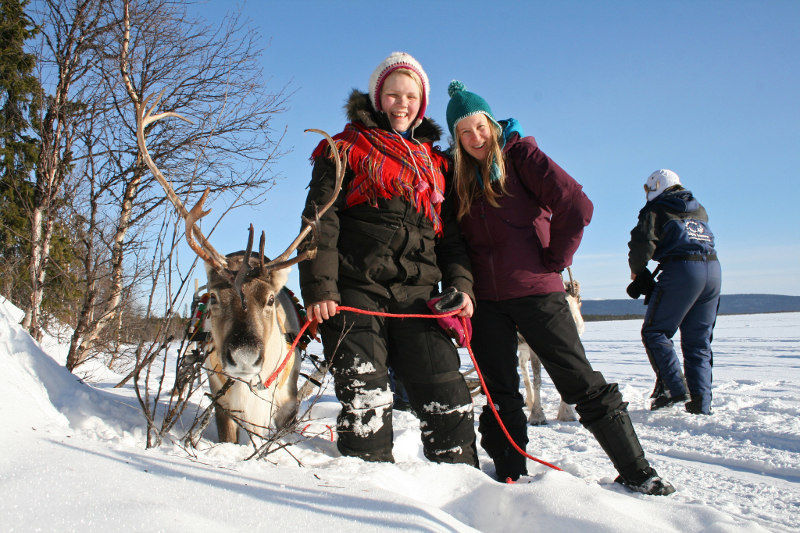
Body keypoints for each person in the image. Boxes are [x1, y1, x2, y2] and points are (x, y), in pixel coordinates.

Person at [444, 80, 675, 495]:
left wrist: (557, 259)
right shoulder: (460, 176)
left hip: (538, 293)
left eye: (479, 126)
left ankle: (639, 472)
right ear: (457, 139)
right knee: (500, 394)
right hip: (487, 305)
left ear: (492, 124)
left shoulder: (521, 156)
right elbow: (456, 241)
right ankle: (509, 477)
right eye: (464, 132)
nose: (475, 137)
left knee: (580, 382)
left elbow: (577, 204)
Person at [298, 52, 478, 466]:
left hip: (417, 296)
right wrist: (321, 288)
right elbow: (320, 223)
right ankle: (367, 494)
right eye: (393, 94)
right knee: (367, 397)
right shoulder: (343, 150)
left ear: (422, 103)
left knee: (448, 395)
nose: (402, 103)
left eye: (411, 96)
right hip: (354, 289)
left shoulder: (435, 163)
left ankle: (462, 493)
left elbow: (450, 239)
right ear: (378, 99)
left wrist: (461, 286)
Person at [628, 169, 721, 415]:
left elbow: (641, 242)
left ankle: (672, 388)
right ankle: (701, 404)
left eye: (648, 189)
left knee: (655, 331)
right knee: (698, 342)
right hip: (713, 270)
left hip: (682, 271)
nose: (647, 195)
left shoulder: (657, 208)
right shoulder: (698, 208)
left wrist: (638, 271)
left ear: (657, 186)